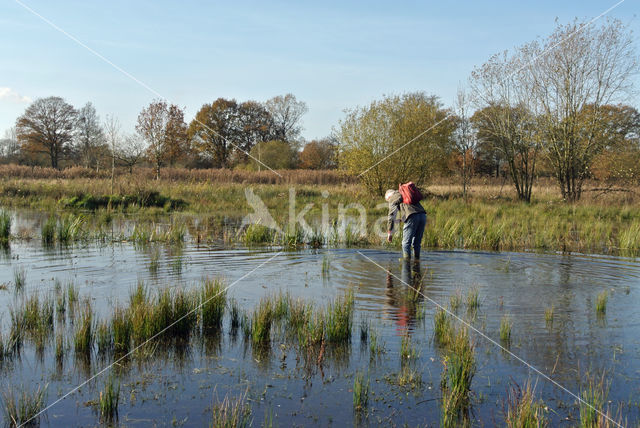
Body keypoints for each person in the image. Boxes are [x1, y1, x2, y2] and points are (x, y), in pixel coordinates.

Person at [385, 188, 426, 259]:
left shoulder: (393, 198)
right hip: (422, 215)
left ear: (389, 197)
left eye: (388, 200)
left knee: (406, 243)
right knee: (416, 243)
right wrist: (403, 219)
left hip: (412, 216)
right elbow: (409, 207)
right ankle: (417, 261)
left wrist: (389, 232)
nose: (389, 201)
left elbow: (391, 216)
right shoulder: (405, 193)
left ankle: (406, 263)